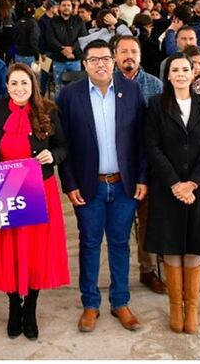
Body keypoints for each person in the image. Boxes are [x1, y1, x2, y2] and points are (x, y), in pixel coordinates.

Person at [55, 39, 147, 333]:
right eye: (94, 59)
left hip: (123, 185)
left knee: (120, 244)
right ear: (84, 64)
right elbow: (63, 144)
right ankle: (90, 304)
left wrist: (143, 178)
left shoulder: (131, 91)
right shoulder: (70, 96)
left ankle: (120, 302)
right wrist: (69, 184)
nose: (101, 64)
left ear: (114, 61)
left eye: (106, 58)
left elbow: (143, 141)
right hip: (89, 186)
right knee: (90, 244)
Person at [0, 63, 70, 341]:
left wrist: (53, 156)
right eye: (14, 84)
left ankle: (30, 307)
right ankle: (13, 306)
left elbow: (64, 147)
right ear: (6, 86)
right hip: (5, 191)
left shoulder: (48, 110)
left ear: (33, 84)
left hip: (39, 191)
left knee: (35, 250)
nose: (19, 89)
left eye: (24, 83)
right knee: (9, 247)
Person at [143, 53, 200, 334]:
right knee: (172, 246)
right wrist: (175, 183)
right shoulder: (155, 105)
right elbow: (152, 147)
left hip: (198, 189)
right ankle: (176, 306)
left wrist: (193, 183)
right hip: (168, 189)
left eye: (185, 69)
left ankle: (193, 308)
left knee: (194, 247)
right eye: (175, 70)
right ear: (168, 75)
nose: (180, 74)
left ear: (194, 73)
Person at [111, 34, 165, 294]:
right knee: (117, 226)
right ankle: (116, 277)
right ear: (115, 56)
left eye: (133, 51)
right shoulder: (104, 84)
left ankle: (148, 269)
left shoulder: (154, 86)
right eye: (123, 51)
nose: (128, 56)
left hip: (147, 166)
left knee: (148, 221)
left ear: (141, 56)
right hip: (114, 167)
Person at [45, 0, 88, 90]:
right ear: (59, 8)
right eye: (64, 5)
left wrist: (72, 49)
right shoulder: (53, 21)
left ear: (72, 8)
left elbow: (83, 38)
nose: (66, 8)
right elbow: (50, 39)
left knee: (76, 88)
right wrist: (62, 49)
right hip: (58, 60)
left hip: (75, 60)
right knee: (59, 88)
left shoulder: (78, 21)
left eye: (68, 5)